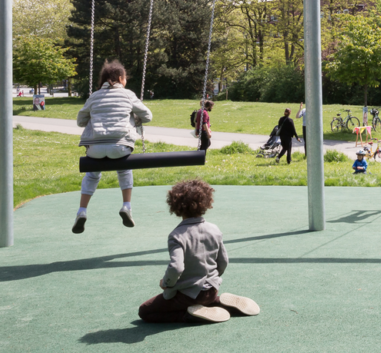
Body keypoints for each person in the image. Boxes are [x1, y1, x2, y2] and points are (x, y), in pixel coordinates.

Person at [138, 180, 259, 323]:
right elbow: (223, 261)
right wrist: (211, 278)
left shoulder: (177, 236)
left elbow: (177, 267)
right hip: (212, 289)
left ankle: (189, 315)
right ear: (206, 202)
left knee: (145, 311)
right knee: (204, 296)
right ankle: (218, 303)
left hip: (188, 295)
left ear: (175, 206)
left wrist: (166, 283)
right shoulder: (214, 229)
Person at [73, 60, 153, 235]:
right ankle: (126, 206)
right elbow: (148, 116)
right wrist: (133, 117)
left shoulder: (93, 96)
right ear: (120, 78)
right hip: (120, 147)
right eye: (125, 78)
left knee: (92, 175)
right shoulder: (128, 95)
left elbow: (80, 121)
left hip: (95, 149)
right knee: (124, 170)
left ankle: (82, 211)